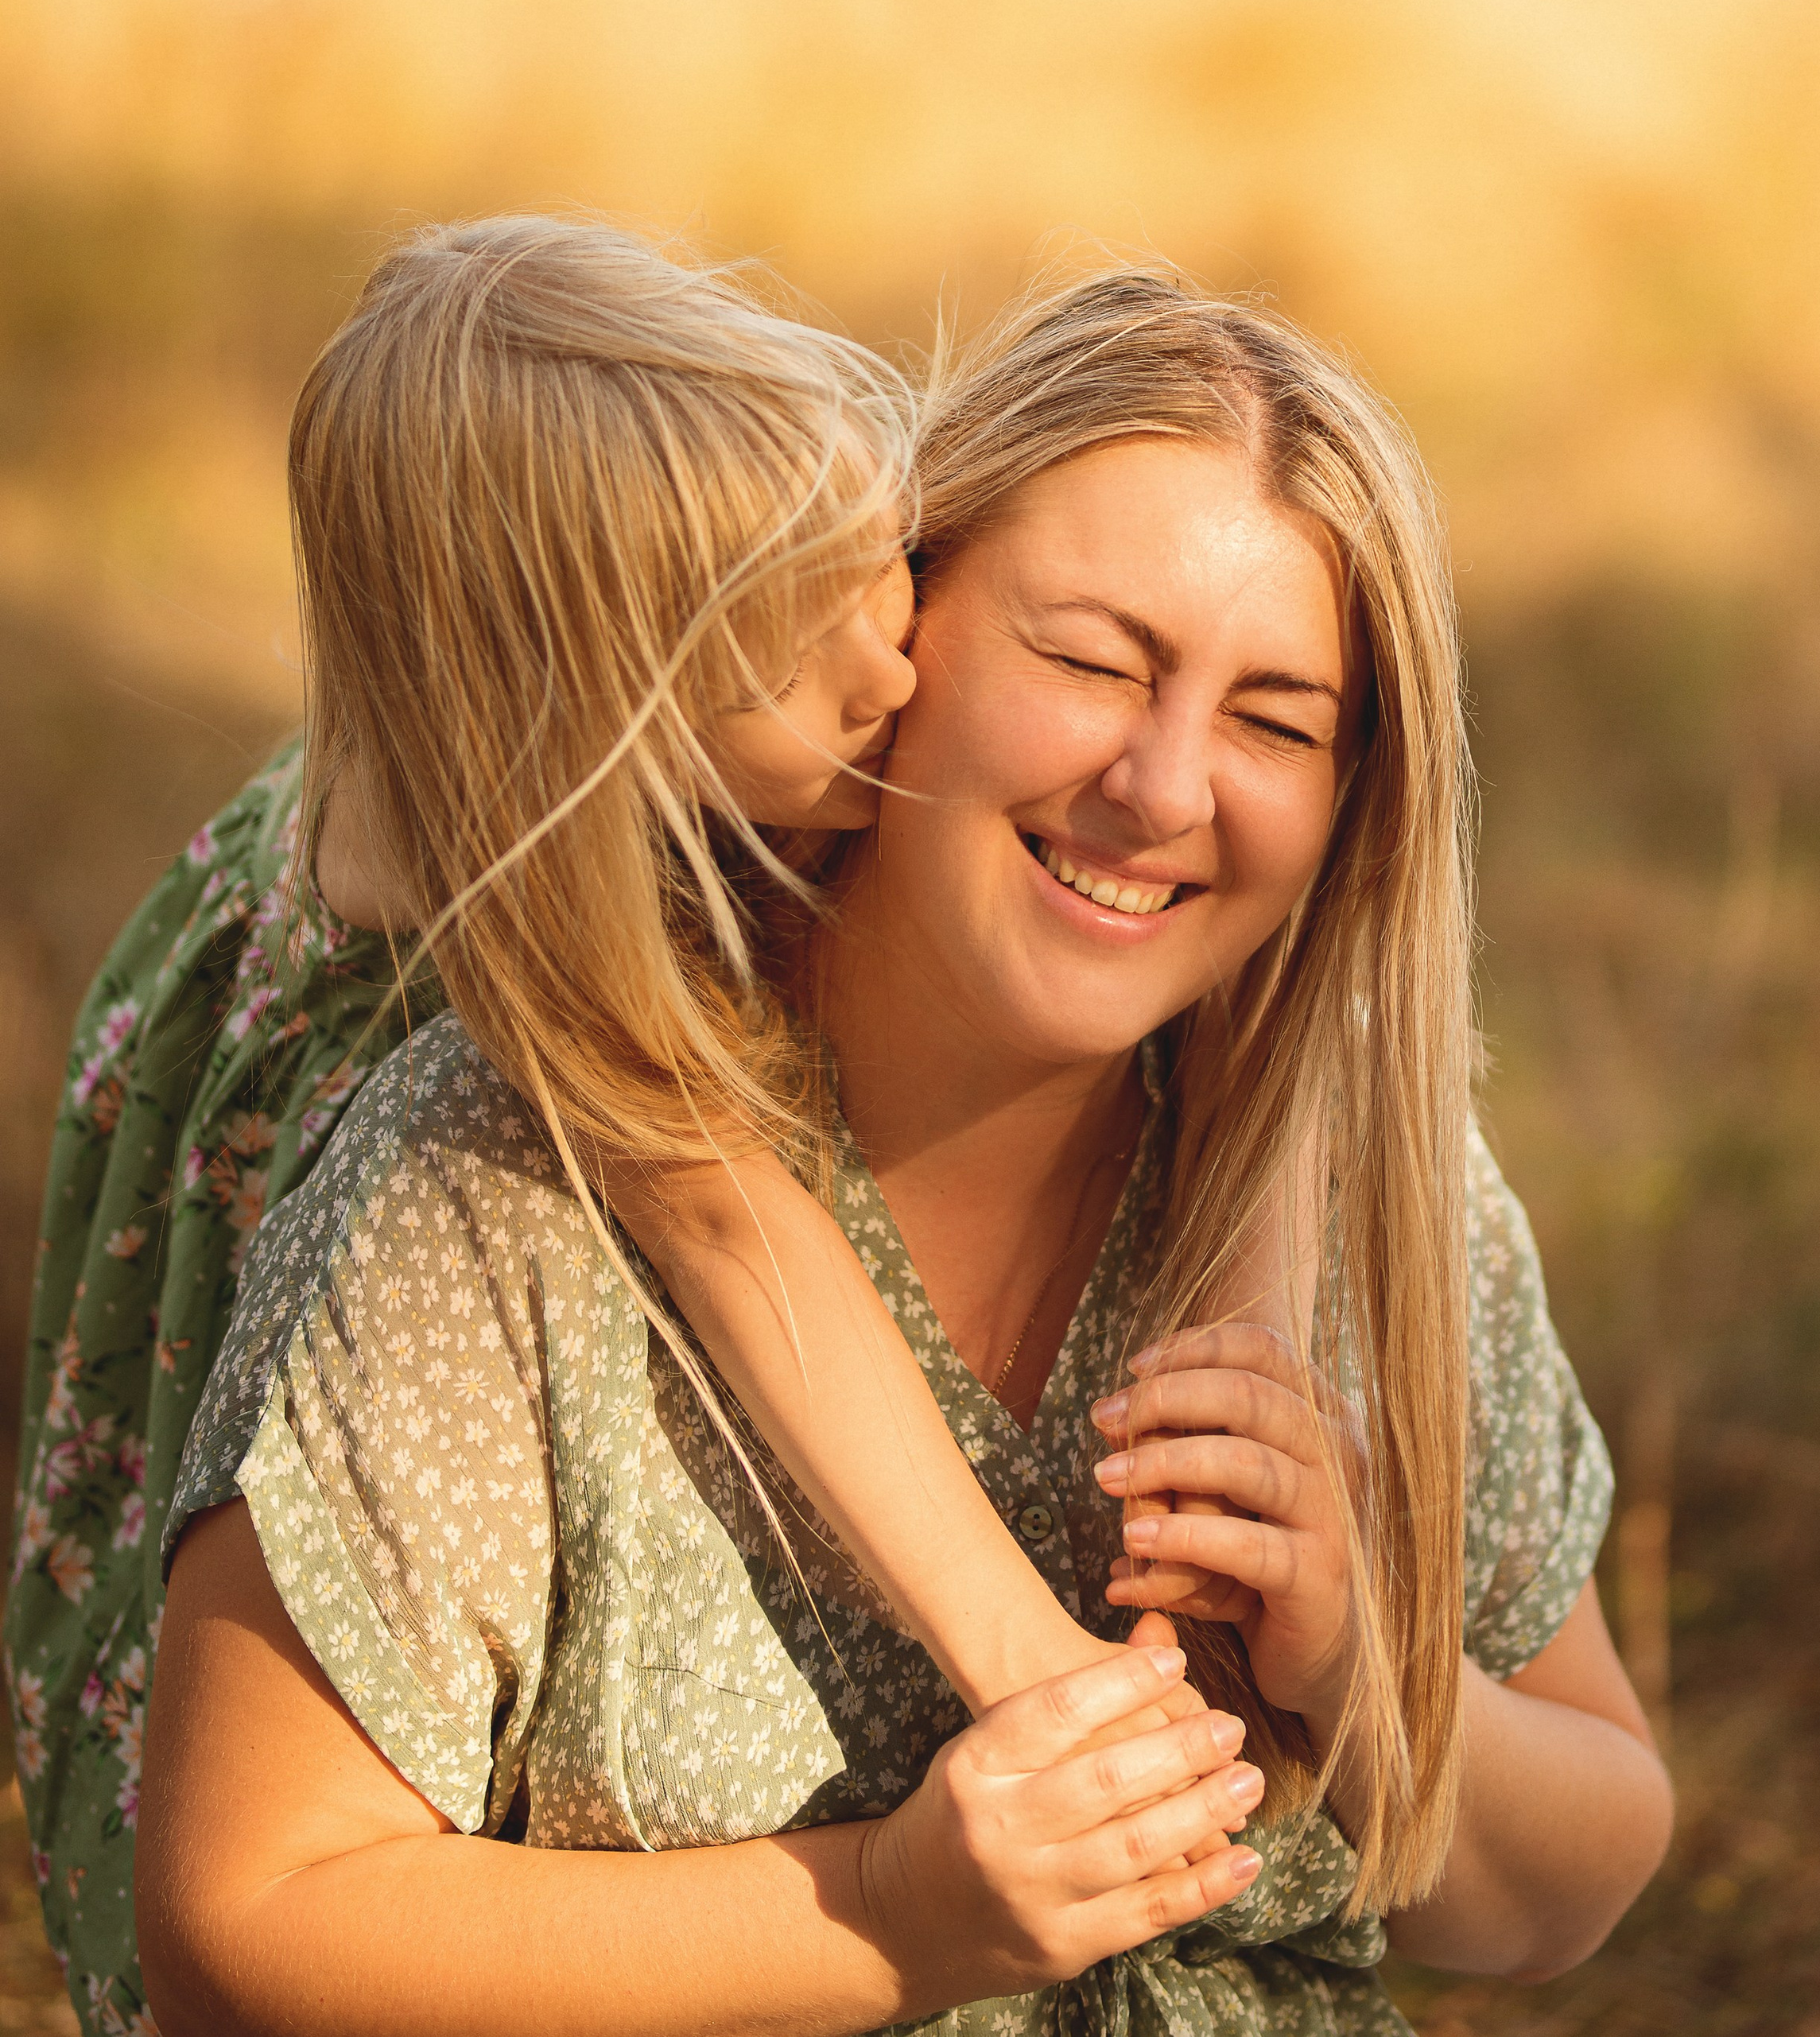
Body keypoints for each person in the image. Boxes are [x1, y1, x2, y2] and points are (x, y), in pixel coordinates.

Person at [130, 263, 1672, 2037]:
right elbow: (235, 1940)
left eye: (1273, 721)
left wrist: (1374, 1677)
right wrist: (890, 1915)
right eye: (1090, 660)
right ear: (892, 624)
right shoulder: (508, 1176)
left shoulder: (1364, 1170)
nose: (1163, 788)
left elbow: (1576, 1882)